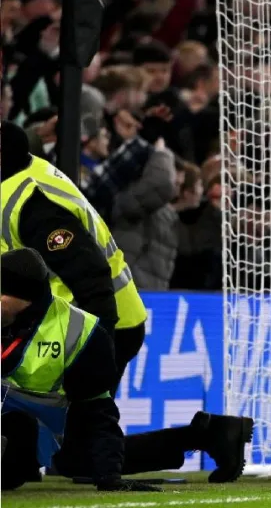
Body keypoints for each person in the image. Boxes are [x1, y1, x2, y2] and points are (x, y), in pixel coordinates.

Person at [1, 122, 253, 482]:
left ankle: (210, 436)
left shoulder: (30, 203)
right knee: (77, 456)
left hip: (98, 324)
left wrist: (94, 344)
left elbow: (90, 274)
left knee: (81, 457)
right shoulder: (19, 178)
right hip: (83, 320)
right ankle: (212, 435)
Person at [1, 248, 158, 492]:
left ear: (24, 296)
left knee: (73, 460)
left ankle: (199, 436)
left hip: (29, 435)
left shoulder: (79, 334)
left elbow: (98, 411)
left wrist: (110, 476)